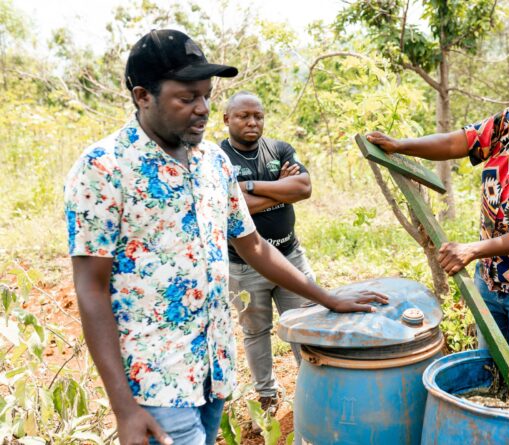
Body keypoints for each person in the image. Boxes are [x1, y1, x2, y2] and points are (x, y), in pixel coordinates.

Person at [64, 29, 387, 445]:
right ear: (143, 96)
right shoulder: (103, 167)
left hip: (214, 371)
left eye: (206, 95)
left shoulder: (212, 161)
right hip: (154, 385)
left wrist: (328, 298)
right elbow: (90, 289)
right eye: (186, 98)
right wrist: (124, 408)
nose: (202, 109)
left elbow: (252, 245)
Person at [367, 65, 509, 351]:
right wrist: (400, 145)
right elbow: (458, 142)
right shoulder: (507, 125)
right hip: (490, 281)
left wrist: (472, 250)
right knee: (487, 363)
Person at [220, 91, 314, 417]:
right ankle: (267, 396)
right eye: (243, 116)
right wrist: (279, 190)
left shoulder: (279, 149)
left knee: (306, 325)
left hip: (290, 257)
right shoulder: (218, 158)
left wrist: (247, 188)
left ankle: (312, 389)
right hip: (244, 266)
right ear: (226, 119)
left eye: (258, 116)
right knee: (255, 331)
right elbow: (229, 207)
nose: (252, 122)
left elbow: (303, 188)